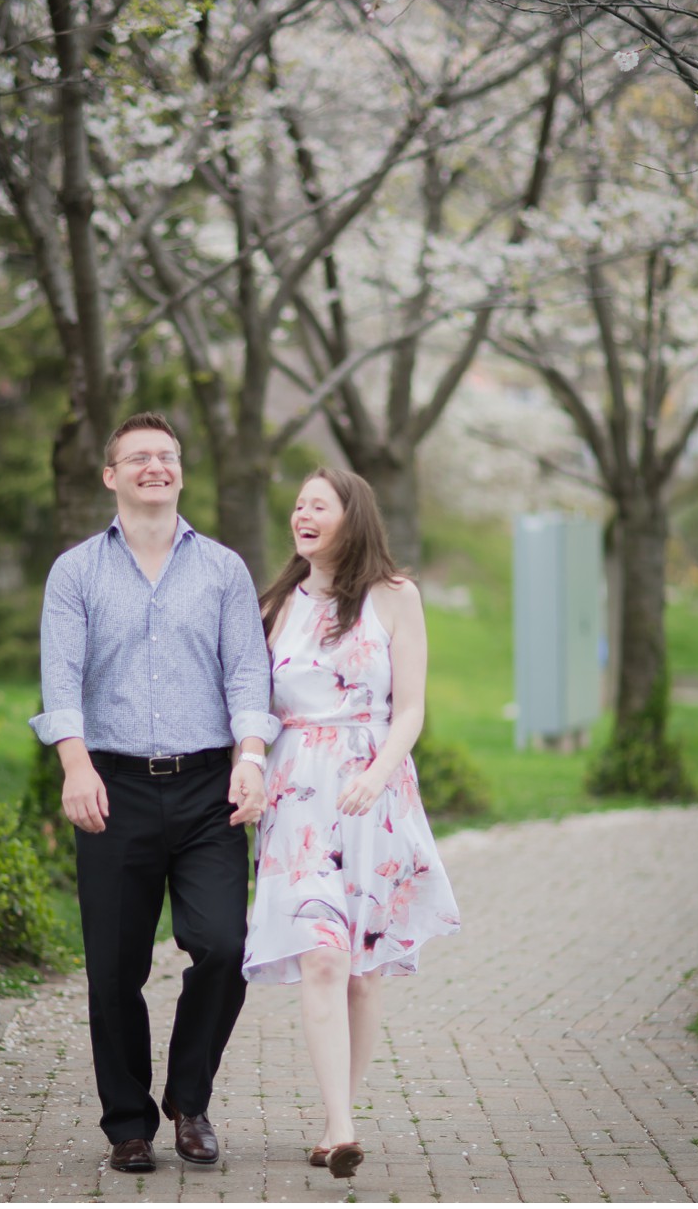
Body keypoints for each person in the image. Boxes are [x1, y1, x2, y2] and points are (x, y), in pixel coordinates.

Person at [32, 412, 277, 1173]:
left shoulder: (223, 570)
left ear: (180, 472)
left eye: (165, 456)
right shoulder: (76, 571)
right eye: (137, 458)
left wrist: (252, 756)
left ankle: (189, 1098)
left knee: (223, 946)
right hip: (113, 785)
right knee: (113, 969)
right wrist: (75, 765)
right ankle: (128, 1126)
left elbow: (246, 672)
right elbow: (61, 678)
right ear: (110, 476)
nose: (153, 467)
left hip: (208, 785)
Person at [244, 466, 461, 1180]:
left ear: (352, 517)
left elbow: (411, 708)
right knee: (323, 954)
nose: (301, 515)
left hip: (375, 787)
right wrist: (247, 765)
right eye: (296, 505)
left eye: (318, 506)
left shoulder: (395, 597)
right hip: (298, 792)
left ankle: (340, 1112)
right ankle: (340, 1129)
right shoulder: (276, 602)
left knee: (363, 972)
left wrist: (375, 774)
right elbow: (257, 706)